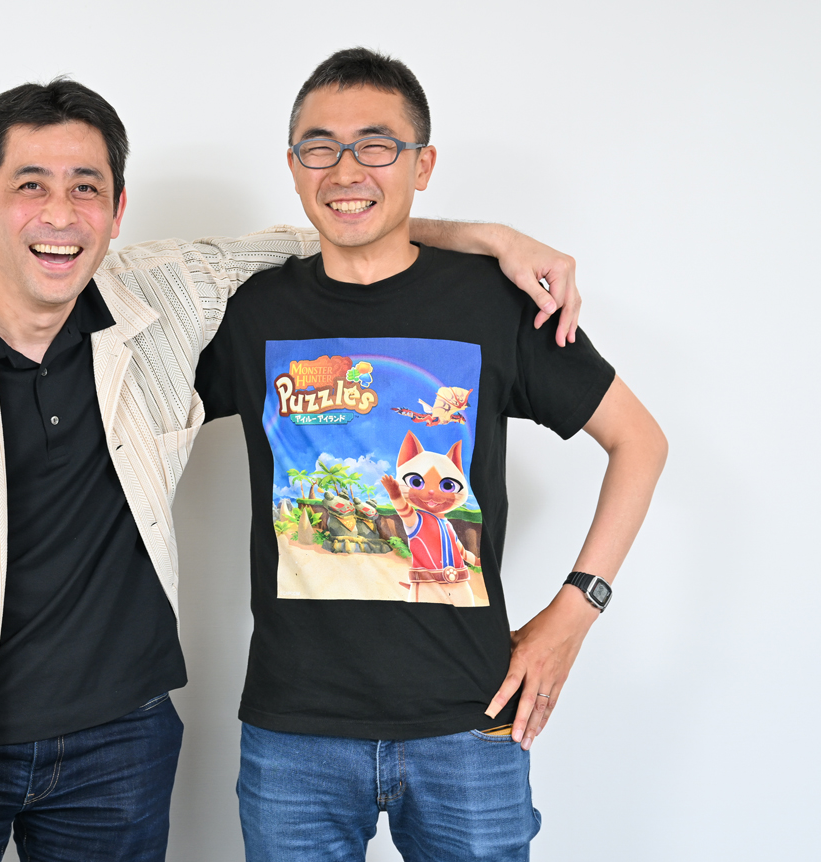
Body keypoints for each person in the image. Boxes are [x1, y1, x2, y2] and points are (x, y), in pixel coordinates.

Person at [0, 79, 583, 862]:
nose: (60, 214)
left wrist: (490, 239)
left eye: (86, 188)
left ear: (118, 209)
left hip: (119, 745)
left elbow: (341, 227)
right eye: (29, 187)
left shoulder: (168, 298)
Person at [188, 48, 668, 861]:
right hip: (294, 731)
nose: (347, 168)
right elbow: (114, 305)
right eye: (320, 147)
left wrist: (575, 612)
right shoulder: (250, 312)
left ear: (423, 164)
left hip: (469, 724)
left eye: (376, 145)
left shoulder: (495, 304)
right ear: (294, 167)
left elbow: (640, 441)